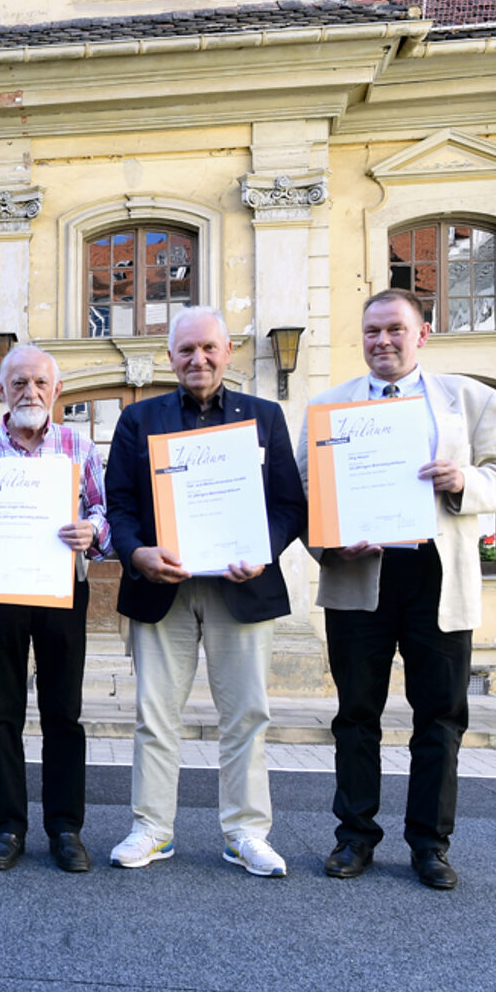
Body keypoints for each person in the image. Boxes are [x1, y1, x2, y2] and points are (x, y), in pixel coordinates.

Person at [298, 288, 496, 890]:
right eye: (371, 331)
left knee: (440, 718)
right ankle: (354, 837)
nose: (382, 341)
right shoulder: (328, 407)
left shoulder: (470, 399)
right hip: (359, 578)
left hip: (436, 577)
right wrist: (331, 545)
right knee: (356, 715)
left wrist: (461, 479)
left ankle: (429, 844)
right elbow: (304, 494)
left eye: (395, 329)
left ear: (422, 334)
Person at [103, 306, 305, 878]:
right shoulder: (138, 420)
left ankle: (245, 833)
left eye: (209, 349)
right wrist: (137, 553)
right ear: (170, 357)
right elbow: (118, 504)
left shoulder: (264, 417)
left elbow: (289, 505)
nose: (199, 359)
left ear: (229, 352)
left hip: (241, 589)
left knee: (246, 714)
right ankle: (152, 829)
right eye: (186, 350)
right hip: (160, 587)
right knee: (154, 715)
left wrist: (261, 550)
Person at [0, 344, 109, 873]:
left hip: (60, 591)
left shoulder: (79, 447)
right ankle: (8, 827)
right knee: (2, 715)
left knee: (64, 714)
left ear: (56, 391)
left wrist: (93, 531)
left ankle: (65, 828)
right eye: (18, 383)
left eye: (39, 383)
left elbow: (106, 515)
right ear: (1, 391)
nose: (30, 392)